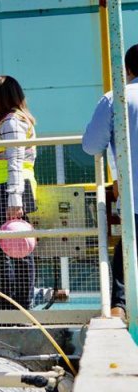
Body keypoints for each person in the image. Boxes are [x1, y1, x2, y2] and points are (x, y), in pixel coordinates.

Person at [83, 43, 138, 320]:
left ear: (127, 69)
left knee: (127, 253)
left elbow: (92, 145)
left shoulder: (116, 98)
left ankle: (119, 311)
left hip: (134, 197)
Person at [0, 76, 38, 309]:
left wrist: (14, 198)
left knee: (15, 248)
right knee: (6, 247)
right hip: (4, 191)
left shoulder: (12, 123)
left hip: (9, 191)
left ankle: (15, 304)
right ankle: (11, 302)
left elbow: (15, 160)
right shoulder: (10, 122)